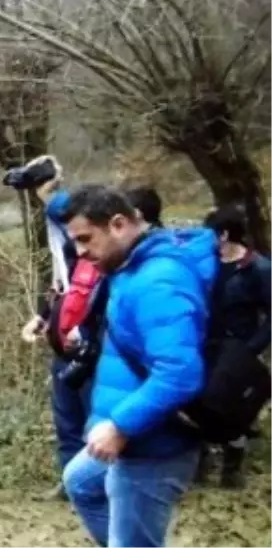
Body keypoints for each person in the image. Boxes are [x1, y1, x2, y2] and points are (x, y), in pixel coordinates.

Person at [59, 185, 215, 547]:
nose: (80, 253)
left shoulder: (157, 281)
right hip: (135, 438)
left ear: (118, 224)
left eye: (86, 239)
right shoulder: (129, 264)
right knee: (81, 481)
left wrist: (119, 425)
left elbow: (179, 373)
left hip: (153, 447)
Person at [19, 158, 102, 501]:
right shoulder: (67, 253)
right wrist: (42, 317)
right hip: (61, 341)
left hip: (89, 346)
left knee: (91, 418)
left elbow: (63, 208)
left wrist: (47, 186)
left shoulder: (98, 260)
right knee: (66, 419)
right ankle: (71, 483)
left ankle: (96, 484)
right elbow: (61, 286)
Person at [199, 204, 272, 488]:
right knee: (200, 402)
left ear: (224, 234)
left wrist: (251, 348)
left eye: (210, 233)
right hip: (207, 344)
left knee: (234, 409)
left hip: (238, 348)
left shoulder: (259, 269)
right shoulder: (208, 264)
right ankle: (201, 459)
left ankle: (232, 467)